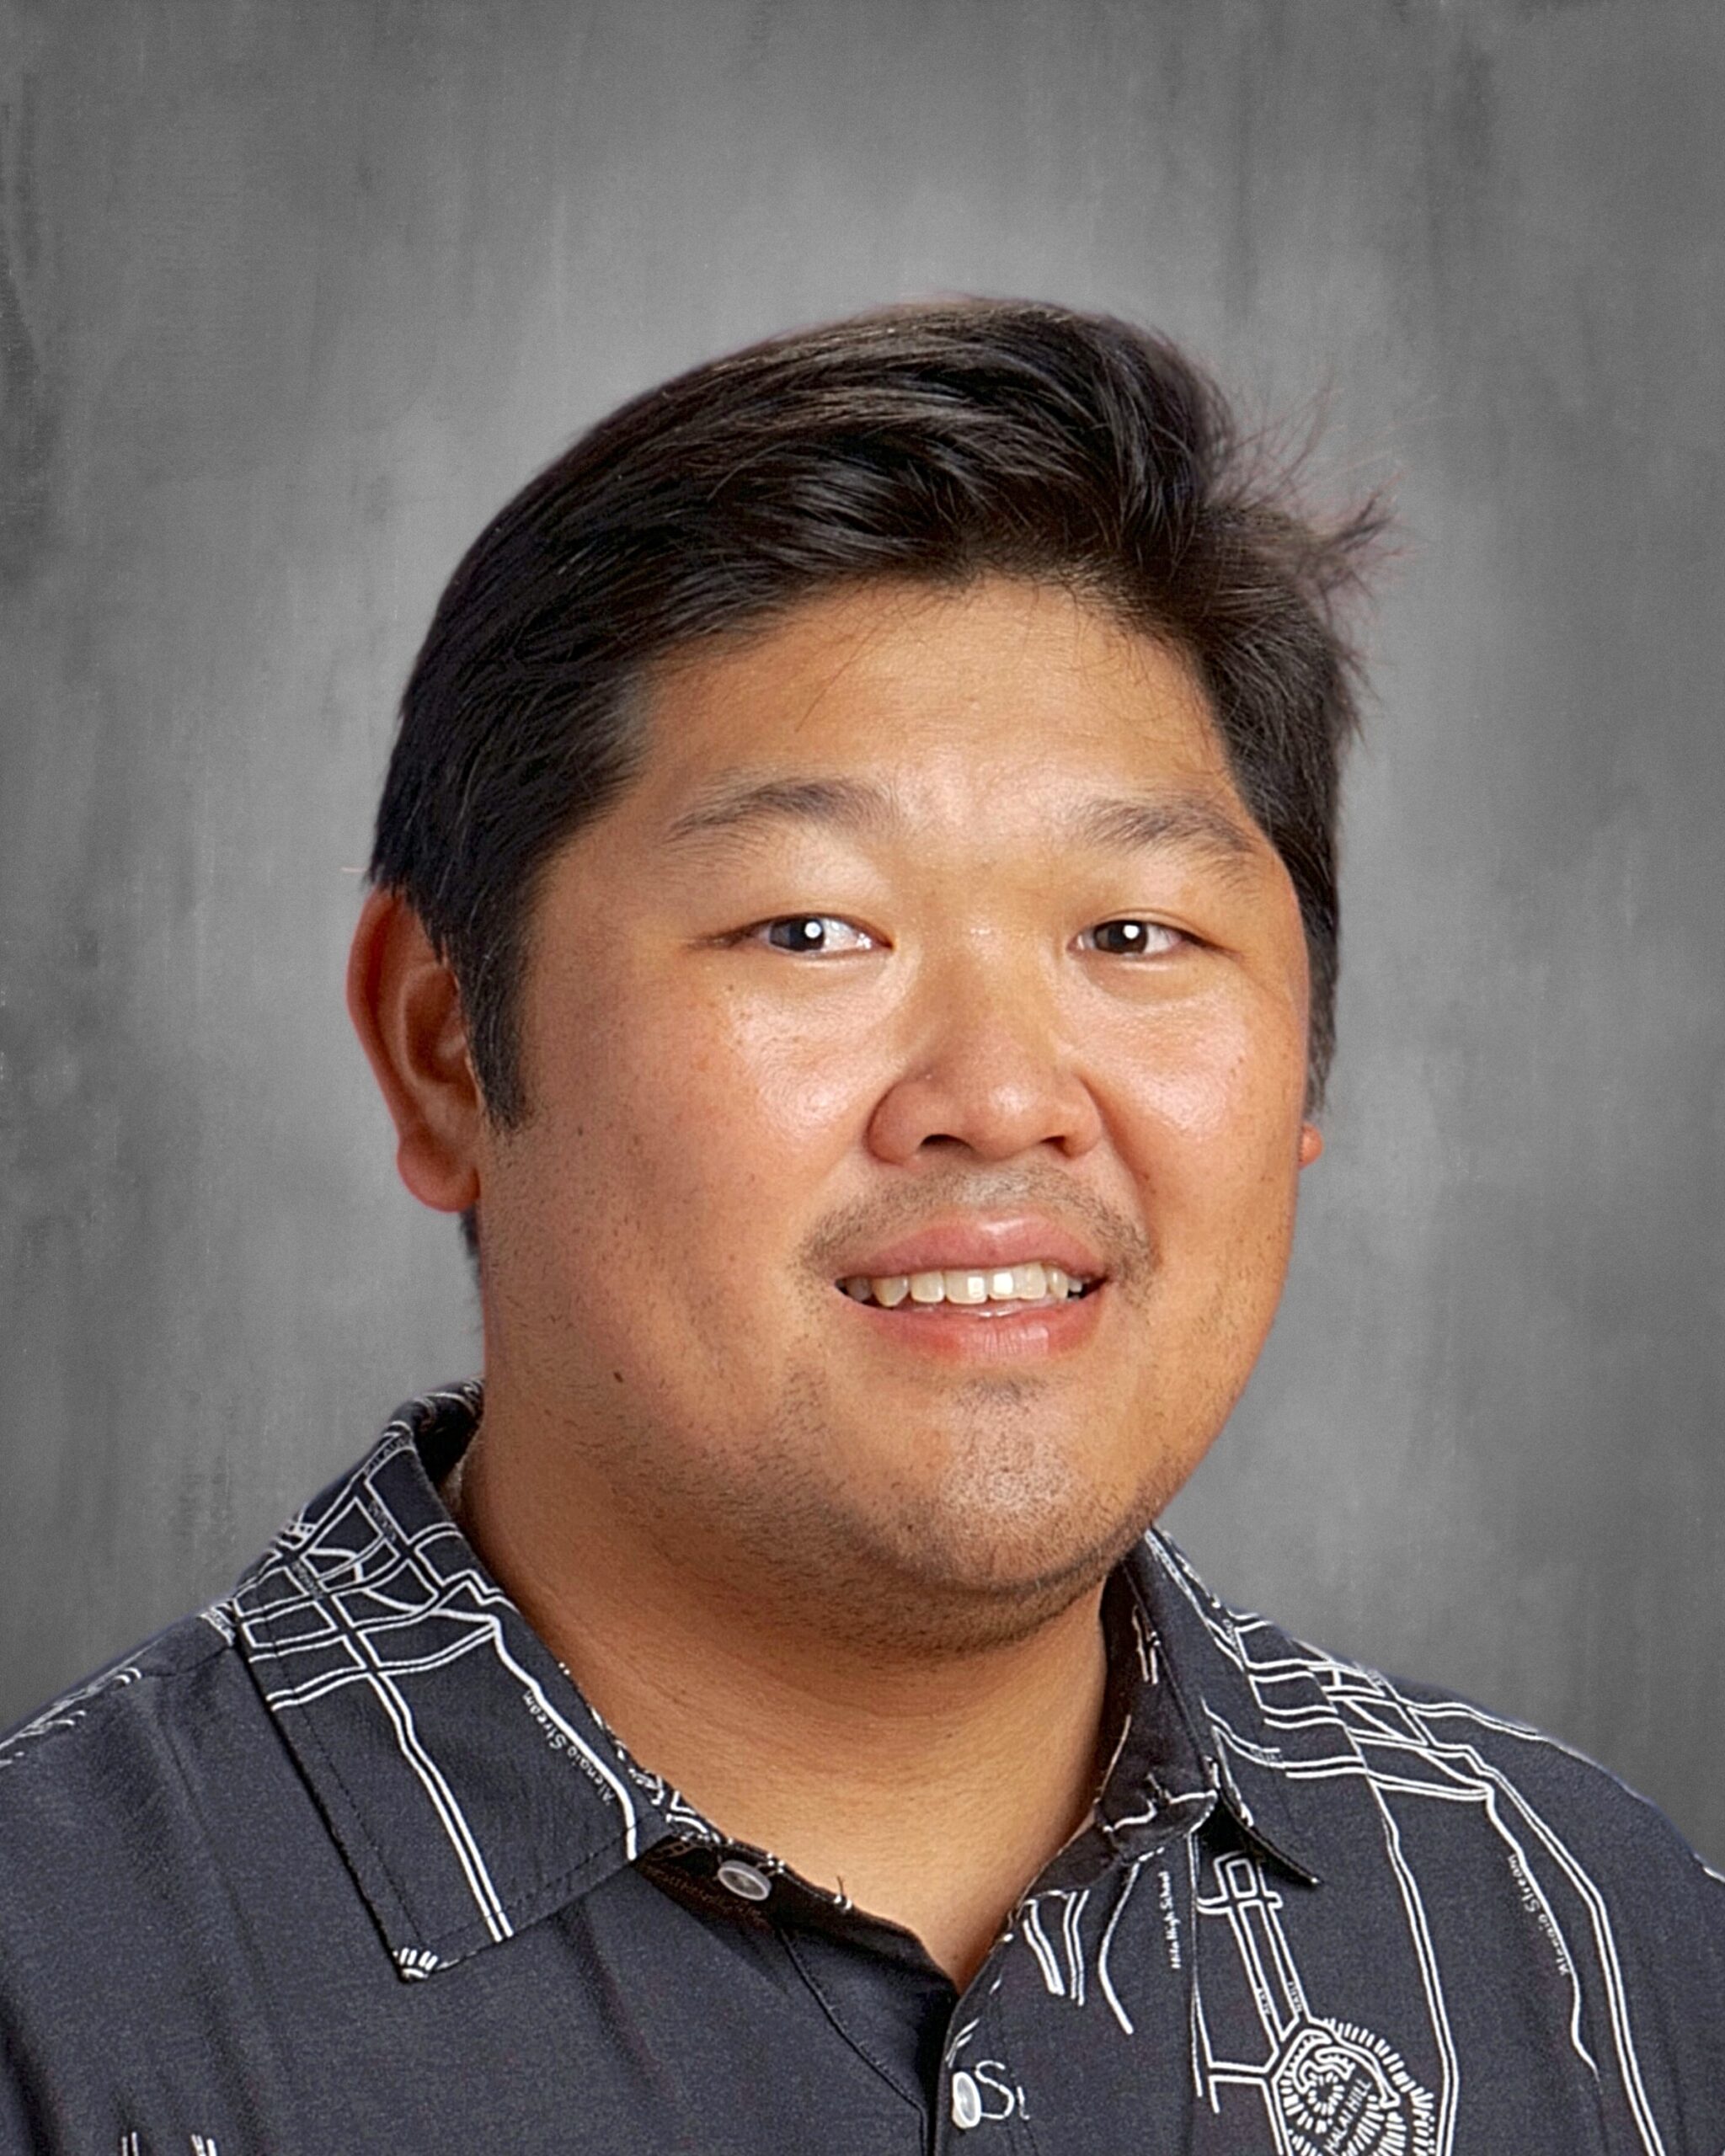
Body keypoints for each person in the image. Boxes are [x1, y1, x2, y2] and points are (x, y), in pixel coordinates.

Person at [1, 301, 1719, 2154]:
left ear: (1306, 1057)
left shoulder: (1588, 1945)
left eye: (1135, 934)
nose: (1000, 1092)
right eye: (810, 928)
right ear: (440, 1046)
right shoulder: (56, 1991)